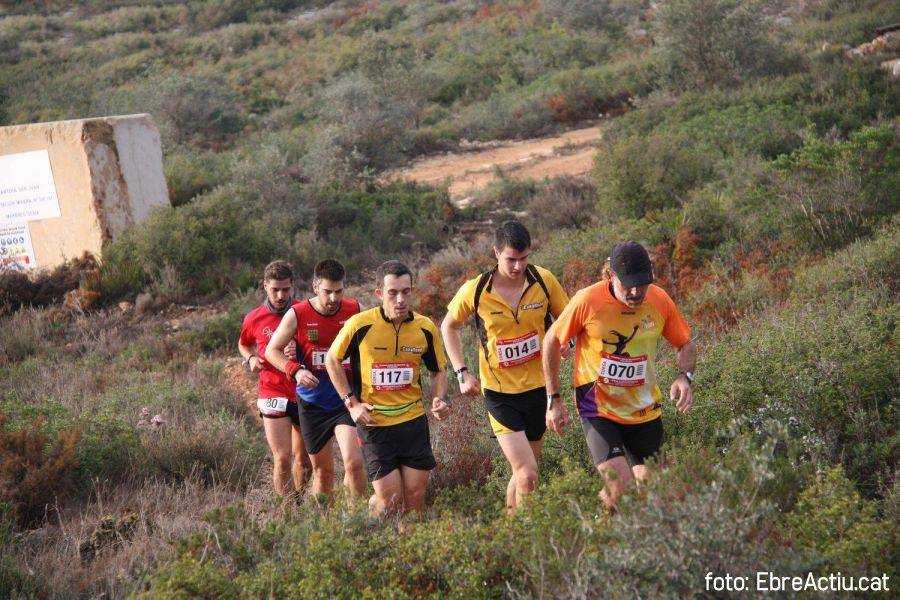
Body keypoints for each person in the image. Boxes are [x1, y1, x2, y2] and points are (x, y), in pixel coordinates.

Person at [541, 241, 696, 510]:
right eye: (628, 285)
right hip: (597, 407)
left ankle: (625, 540)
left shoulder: (659, 300)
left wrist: (685, 377)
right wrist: (553, 398)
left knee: (656, 497)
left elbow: (685, 343)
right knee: (620, 486)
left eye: (643, 284)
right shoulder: (587, 300)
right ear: (611, 276)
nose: (636, 292)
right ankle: (600, 540)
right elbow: (551, 342)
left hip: (644, 409)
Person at [441, 220, 570, 512]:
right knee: (528, 476)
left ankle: (509, 526)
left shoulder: (544, 280)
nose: (518, 266)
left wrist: (567, 341)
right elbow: (448, 326)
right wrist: (462, 372)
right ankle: (525, 540)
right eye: (511, 259)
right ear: (496, 252)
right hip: (499, 394)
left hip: (539, 389)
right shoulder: (476, 290)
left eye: (524, 259)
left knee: (525, 473)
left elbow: (567, 318)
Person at [326, 260, 451, 517]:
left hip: (412, 422)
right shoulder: (360, 325)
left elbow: (439, 370)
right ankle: (373, 535)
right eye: (393, 292)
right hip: (375, 424)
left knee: (415, 499)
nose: (400, 300)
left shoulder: (425, 328)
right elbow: (332, 359)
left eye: (406, 291)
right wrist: (351, 403)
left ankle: (410, 551)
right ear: (379, 294)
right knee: (390, 502)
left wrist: (438, 398)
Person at [265, 259, 366, 500]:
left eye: (338, 292)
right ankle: (326, 526)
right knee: (323, 472)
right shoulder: (298, 314)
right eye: (327, 292)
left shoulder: (354, 310)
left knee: (353, 463)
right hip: (313, 404)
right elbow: (271, 350)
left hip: (345, 400)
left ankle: (357, 523)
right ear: (315, 287)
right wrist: (296, 370)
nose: (333, 299)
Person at [238, 260, 311, 496]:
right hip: (272, 392)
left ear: (293, 287)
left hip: (303, 392)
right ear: (265, 287)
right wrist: (250, 359)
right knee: (282, 458)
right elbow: (243, 343)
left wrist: (298, 350)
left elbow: (319, 347)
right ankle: (286, 511)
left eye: (286, 289)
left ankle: (298, 502)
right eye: (275, 290)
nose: (280, 295)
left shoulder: (305, 311)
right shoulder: (254, 318)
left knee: (303, 460)